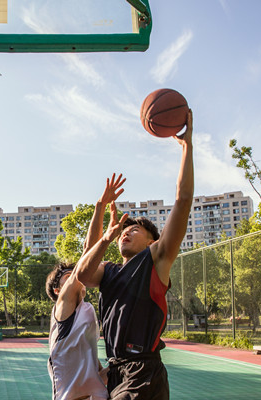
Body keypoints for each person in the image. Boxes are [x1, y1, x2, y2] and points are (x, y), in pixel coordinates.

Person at [75, 110, 194, 399]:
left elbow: (182, 199)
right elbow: (84, 272)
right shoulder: (110, 272)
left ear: (153, 240)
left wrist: (187, 147)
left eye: (135, 230)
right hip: (115, 370)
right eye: (123, 231)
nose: (126, 232)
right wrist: (100, 209)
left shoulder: (156, 262)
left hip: (143, 373)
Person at [45, 175, 127, 400]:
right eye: (66, 276)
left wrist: (106, 372)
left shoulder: (85, 309)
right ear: (57, 290)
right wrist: (100, 206)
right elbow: (88, 252)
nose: (72, 275)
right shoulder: (62, 308)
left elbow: (87, 356)